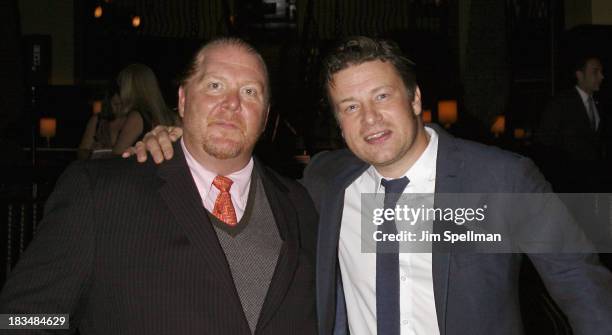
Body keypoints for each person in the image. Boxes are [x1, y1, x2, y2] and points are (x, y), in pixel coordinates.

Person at [126, 37, 612, 335]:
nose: (370, 117)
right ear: (338, 122)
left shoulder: (501, 179)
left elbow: (580, 283)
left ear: (415, 98)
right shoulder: (325, 182)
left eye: (382, 96)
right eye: (350, 106)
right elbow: (235, 175)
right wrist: (177, 137)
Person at [0, 38, 318, 334]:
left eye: (250, 92)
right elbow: (22, 318)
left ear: (265, 117)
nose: (232, 103)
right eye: (215, 85)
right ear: (182, 99)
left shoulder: (300, 205)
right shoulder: (99, 194)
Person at [535, 55, 607, 191]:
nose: (601, 77)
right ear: (580, 75)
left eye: (601, 72)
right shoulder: (561, 103)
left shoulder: (599, 104)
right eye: (595, 72)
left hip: (592, 183)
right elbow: (545, 141)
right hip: (569, 185)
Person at [78, 63, 177, 158]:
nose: (120, 91)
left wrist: (102, 151)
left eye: (121, 85)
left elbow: (118, 155)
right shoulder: (168, 115)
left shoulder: (137, 116)